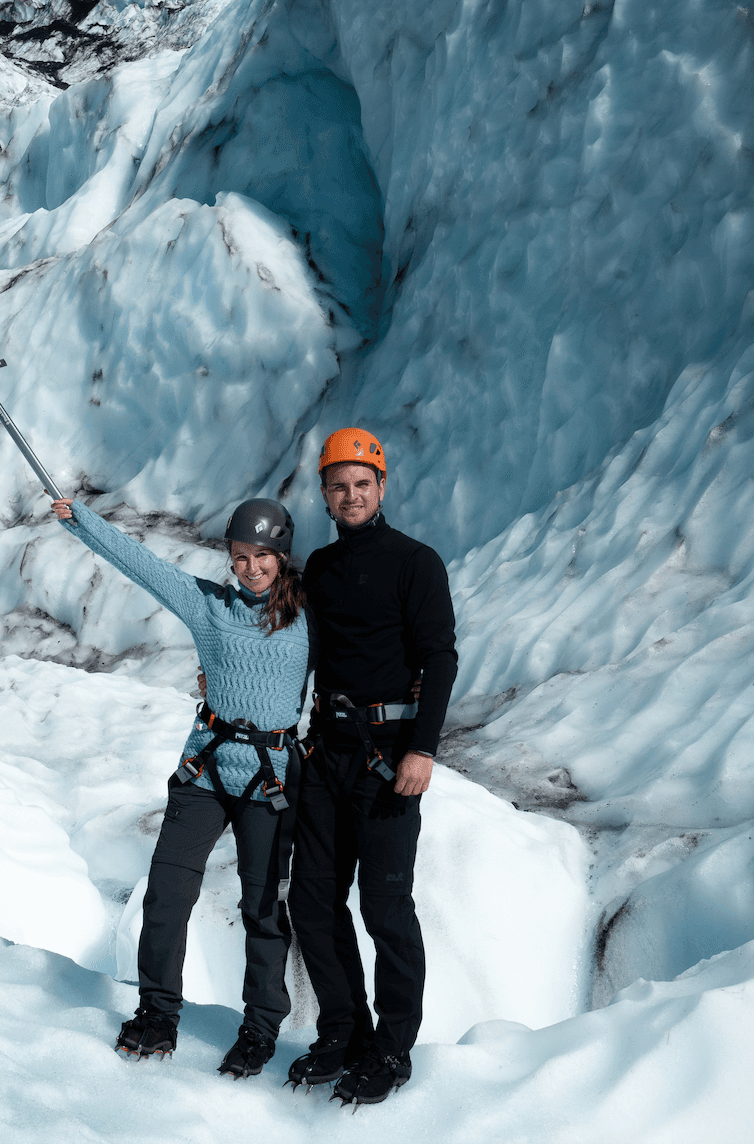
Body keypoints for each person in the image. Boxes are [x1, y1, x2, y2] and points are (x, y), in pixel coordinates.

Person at [51, 493, 311, 1078]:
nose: (251, 567)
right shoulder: (209, 607)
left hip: (269, 780)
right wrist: (81, 522)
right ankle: (157, 1012)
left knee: (263, 909)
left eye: (263, 555)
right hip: (205, 771)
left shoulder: (307, 617)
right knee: (166, 897)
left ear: (283, 556)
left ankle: (261, 1028)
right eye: (241, 556)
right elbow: (143, 566)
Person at [286, 427, 457, 1106]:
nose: (351, 495)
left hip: (390, 759)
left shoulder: (417, 563)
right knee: (313, 900)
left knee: (386, 907)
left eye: (362, 484)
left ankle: (391, 1049)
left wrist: (424, 748)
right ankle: (343, 1031)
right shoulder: (321, 570)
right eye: (339, 486)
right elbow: (304, 655)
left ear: (381, 487)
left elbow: (439, 657)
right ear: (324, 495)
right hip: (326, 752)